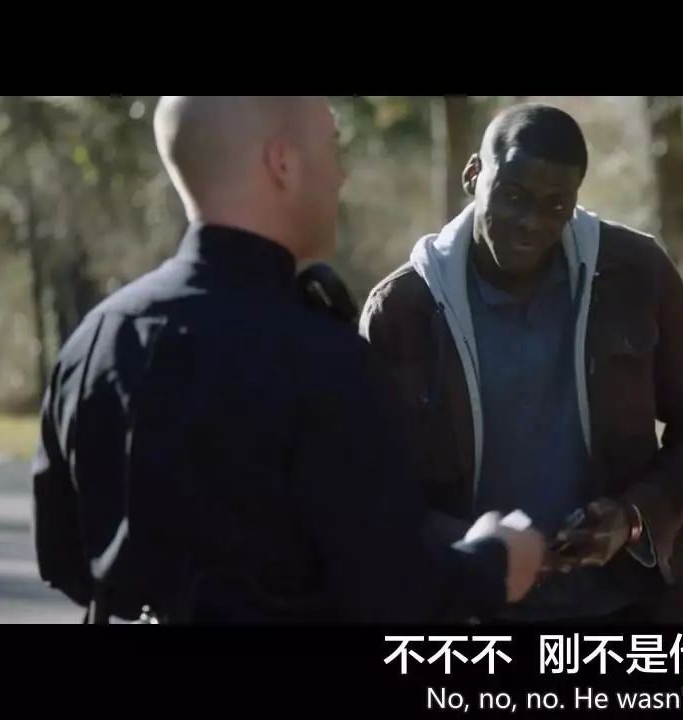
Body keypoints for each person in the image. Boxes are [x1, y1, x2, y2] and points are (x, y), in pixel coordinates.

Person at [30, 96, 546, 624]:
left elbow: (63, 561)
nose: (342, 176)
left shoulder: (97, 340)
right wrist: (495, 561)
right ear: (282, 163)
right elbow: (393, 594)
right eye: (332, 148)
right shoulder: (326, 363)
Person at [359, 103, 683, 623]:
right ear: (473, 175)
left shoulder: (636, 273)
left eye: (555, 205)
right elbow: (372, 489)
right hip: (477, 614)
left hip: (632, 607)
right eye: (512, 196)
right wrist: (483, 551)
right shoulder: (403, 311)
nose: (531, 223)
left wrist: (633, 516)